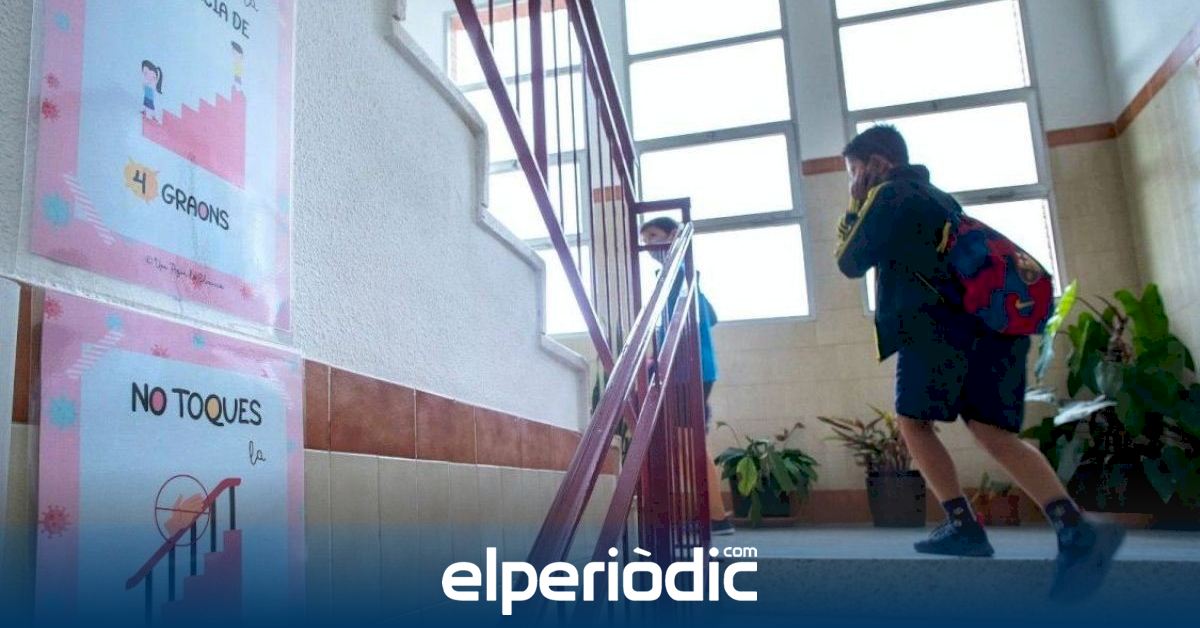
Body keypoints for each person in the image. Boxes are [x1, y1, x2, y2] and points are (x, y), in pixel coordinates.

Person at [834, 125, 1124, 601]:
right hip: (992, 326)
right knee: (993, 431)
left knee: (912, 422)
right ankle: (1074, 529)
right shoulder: (938, 197)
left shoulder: (888, 195)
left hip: (938, 328)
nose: (853, 180)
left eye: (853, 170)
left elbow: (848, 260)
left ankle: (962, 525)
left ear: (876, 164)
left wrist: (854, 204)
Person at [640, 216, 734, 536]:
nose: (649, 246)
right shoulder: (683, 275)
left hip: (686, 371)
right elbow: (711, 316)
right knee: (689, 443)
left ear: (673, 235)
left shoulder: (677, 274)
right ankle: (712, 513)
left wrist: (659, 357)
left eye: (655, 237)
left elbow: (682, 324)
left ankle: (716, 517)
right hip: (695, 369)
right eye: (646, 240)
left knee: (688, 444)